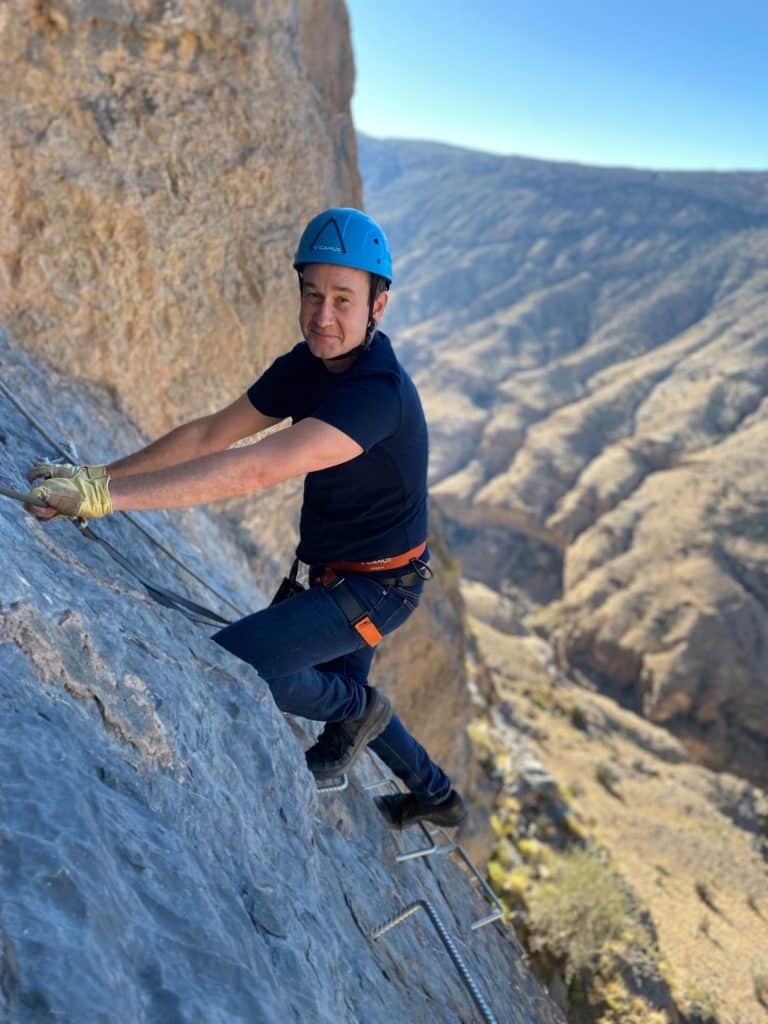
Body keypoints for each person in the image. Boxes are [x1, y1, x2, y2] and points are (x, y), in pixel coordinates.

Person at [26, 207, 466, 830]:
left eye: (344, 299)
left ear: (379, 306)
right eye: (313, 295)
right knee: (332, 690)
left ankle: (359, 712)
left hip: (377, 588)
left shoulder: (377, 394)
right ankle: (438, 796)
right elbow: (211, 434)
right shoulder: (305, 367)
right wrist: (98, 476)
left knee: (243, 665)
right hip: (336, 571)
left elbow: (254, 468)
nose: (323, 317)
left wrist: (106, 501)